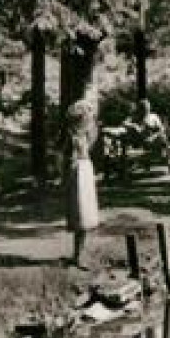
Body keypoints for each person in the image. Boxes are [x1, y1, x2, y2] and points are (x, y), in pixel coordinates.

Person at [64, 95, 100, 267]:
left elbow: (90, 146)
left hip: (85, 170)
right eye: (87, 118)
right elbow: (68, 157)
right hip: (78, 171)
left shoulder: (85, 136)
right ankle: (78, 255)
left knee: (85, 214)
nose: (89, 121)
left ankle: (79, 254)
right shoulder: (72, 136)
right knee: (80, 214)